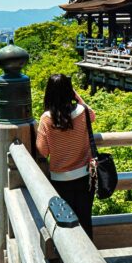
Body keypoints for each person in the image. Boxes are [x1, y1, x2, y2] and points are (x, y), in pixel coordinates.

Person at [36, 74, 96, 239]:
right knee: (85, 220)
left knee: (65, 224)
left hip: (60, 180)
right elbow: (93, 116)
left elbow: (42, 151)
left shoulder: (46, 119)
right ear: (70, 92)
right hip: (85, 176)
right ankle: (90, 260)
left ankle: (68, 261)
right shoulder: (82, 112)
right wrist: (77, 97)